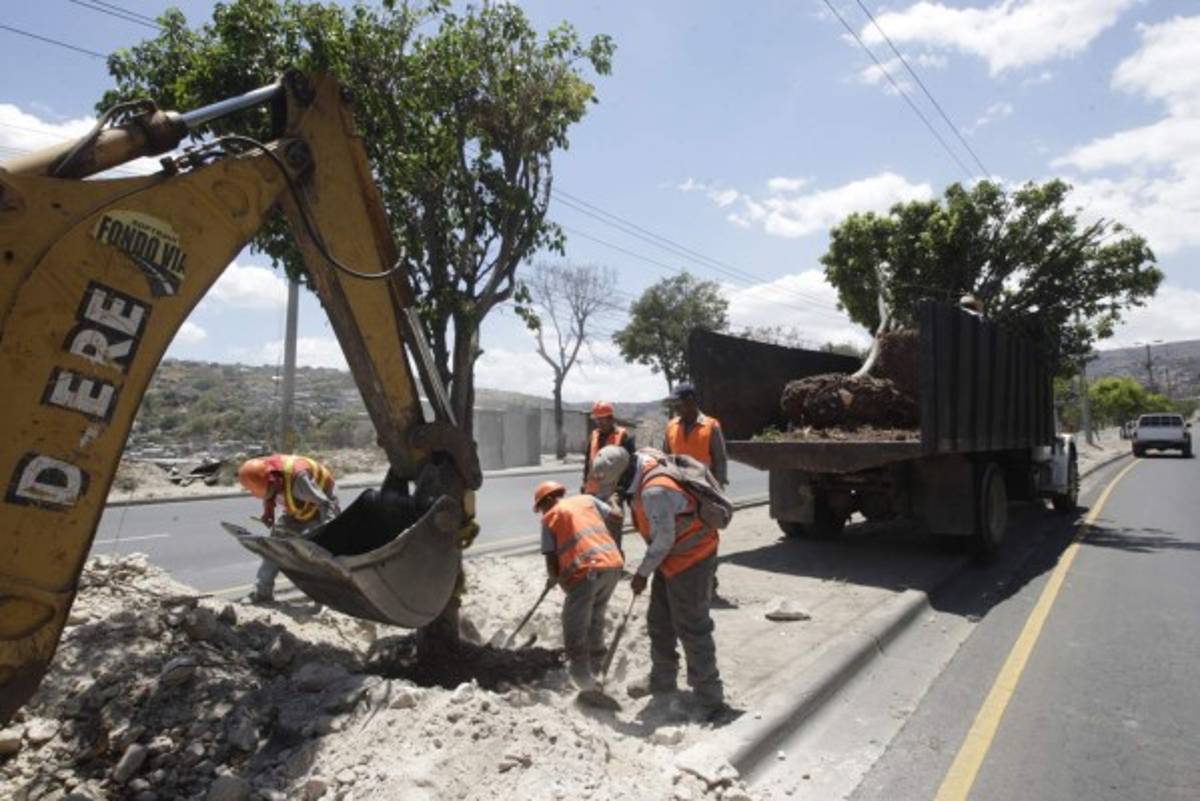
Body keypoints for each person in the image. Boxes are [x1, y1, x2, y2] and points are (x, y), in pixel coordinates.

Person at [625, 449, 726, 719]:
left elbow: (663, 540)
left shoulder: (653, 492)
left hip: (691, 556)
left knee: (692, 626)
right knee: (659, 620)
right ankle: (662, 678)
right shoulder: (643, 460)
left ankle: (709, 697)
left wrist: (642, 574)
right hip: (671, 557)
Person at [534, 479, 624, 688]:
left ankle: (581, 677)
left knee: (573, 623)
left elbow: (551, 561)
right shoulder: (587, 499)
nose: (541, 512)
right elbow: (617, 517)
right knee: (595, 617)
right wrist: (614, 501)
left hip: (588, 571)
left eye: (541, 507)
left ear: (547, 500)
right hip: (613, 565)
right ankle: (597, 666)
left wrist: (554, 579)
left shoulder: (550, 518)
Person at [237, 454, 340, 603]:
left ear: (273, 483)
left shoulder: (299, 481)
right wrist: (268, 512)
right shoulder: (263, 471)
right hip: (298, 506)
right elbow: (269, 493)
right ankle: (262, 593)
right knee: (273, 548)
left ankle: (327, 599)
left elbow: (325, 504)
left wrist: (328, 531)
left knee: (315, 554)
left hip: (321, 504)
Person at [581, 401, 637, 551]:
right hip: (593, 491)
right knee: (594, 531)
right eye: (596, 419)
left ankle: (615, 564)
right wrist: (584, 484)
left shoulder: (623, 436)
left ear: (611, 418)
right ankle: (600, 563)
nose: (599, 422)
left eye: (602, 419)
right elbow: (589, 462)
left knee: (613, 530)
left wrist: (620, 492)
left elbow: (629, 468)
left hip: (613, 492)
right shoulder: (594, 435)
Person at [663, 383, 728, 488]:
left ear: (690, 401)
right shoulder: (671, 426)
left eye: (678, 404)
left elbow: (720, 459)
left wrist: (719, 485)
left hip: (704, 486)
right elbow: (666, 456)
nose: (675, 408)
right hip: (678, 486)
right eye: (673, 405)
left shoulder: (711, 425)